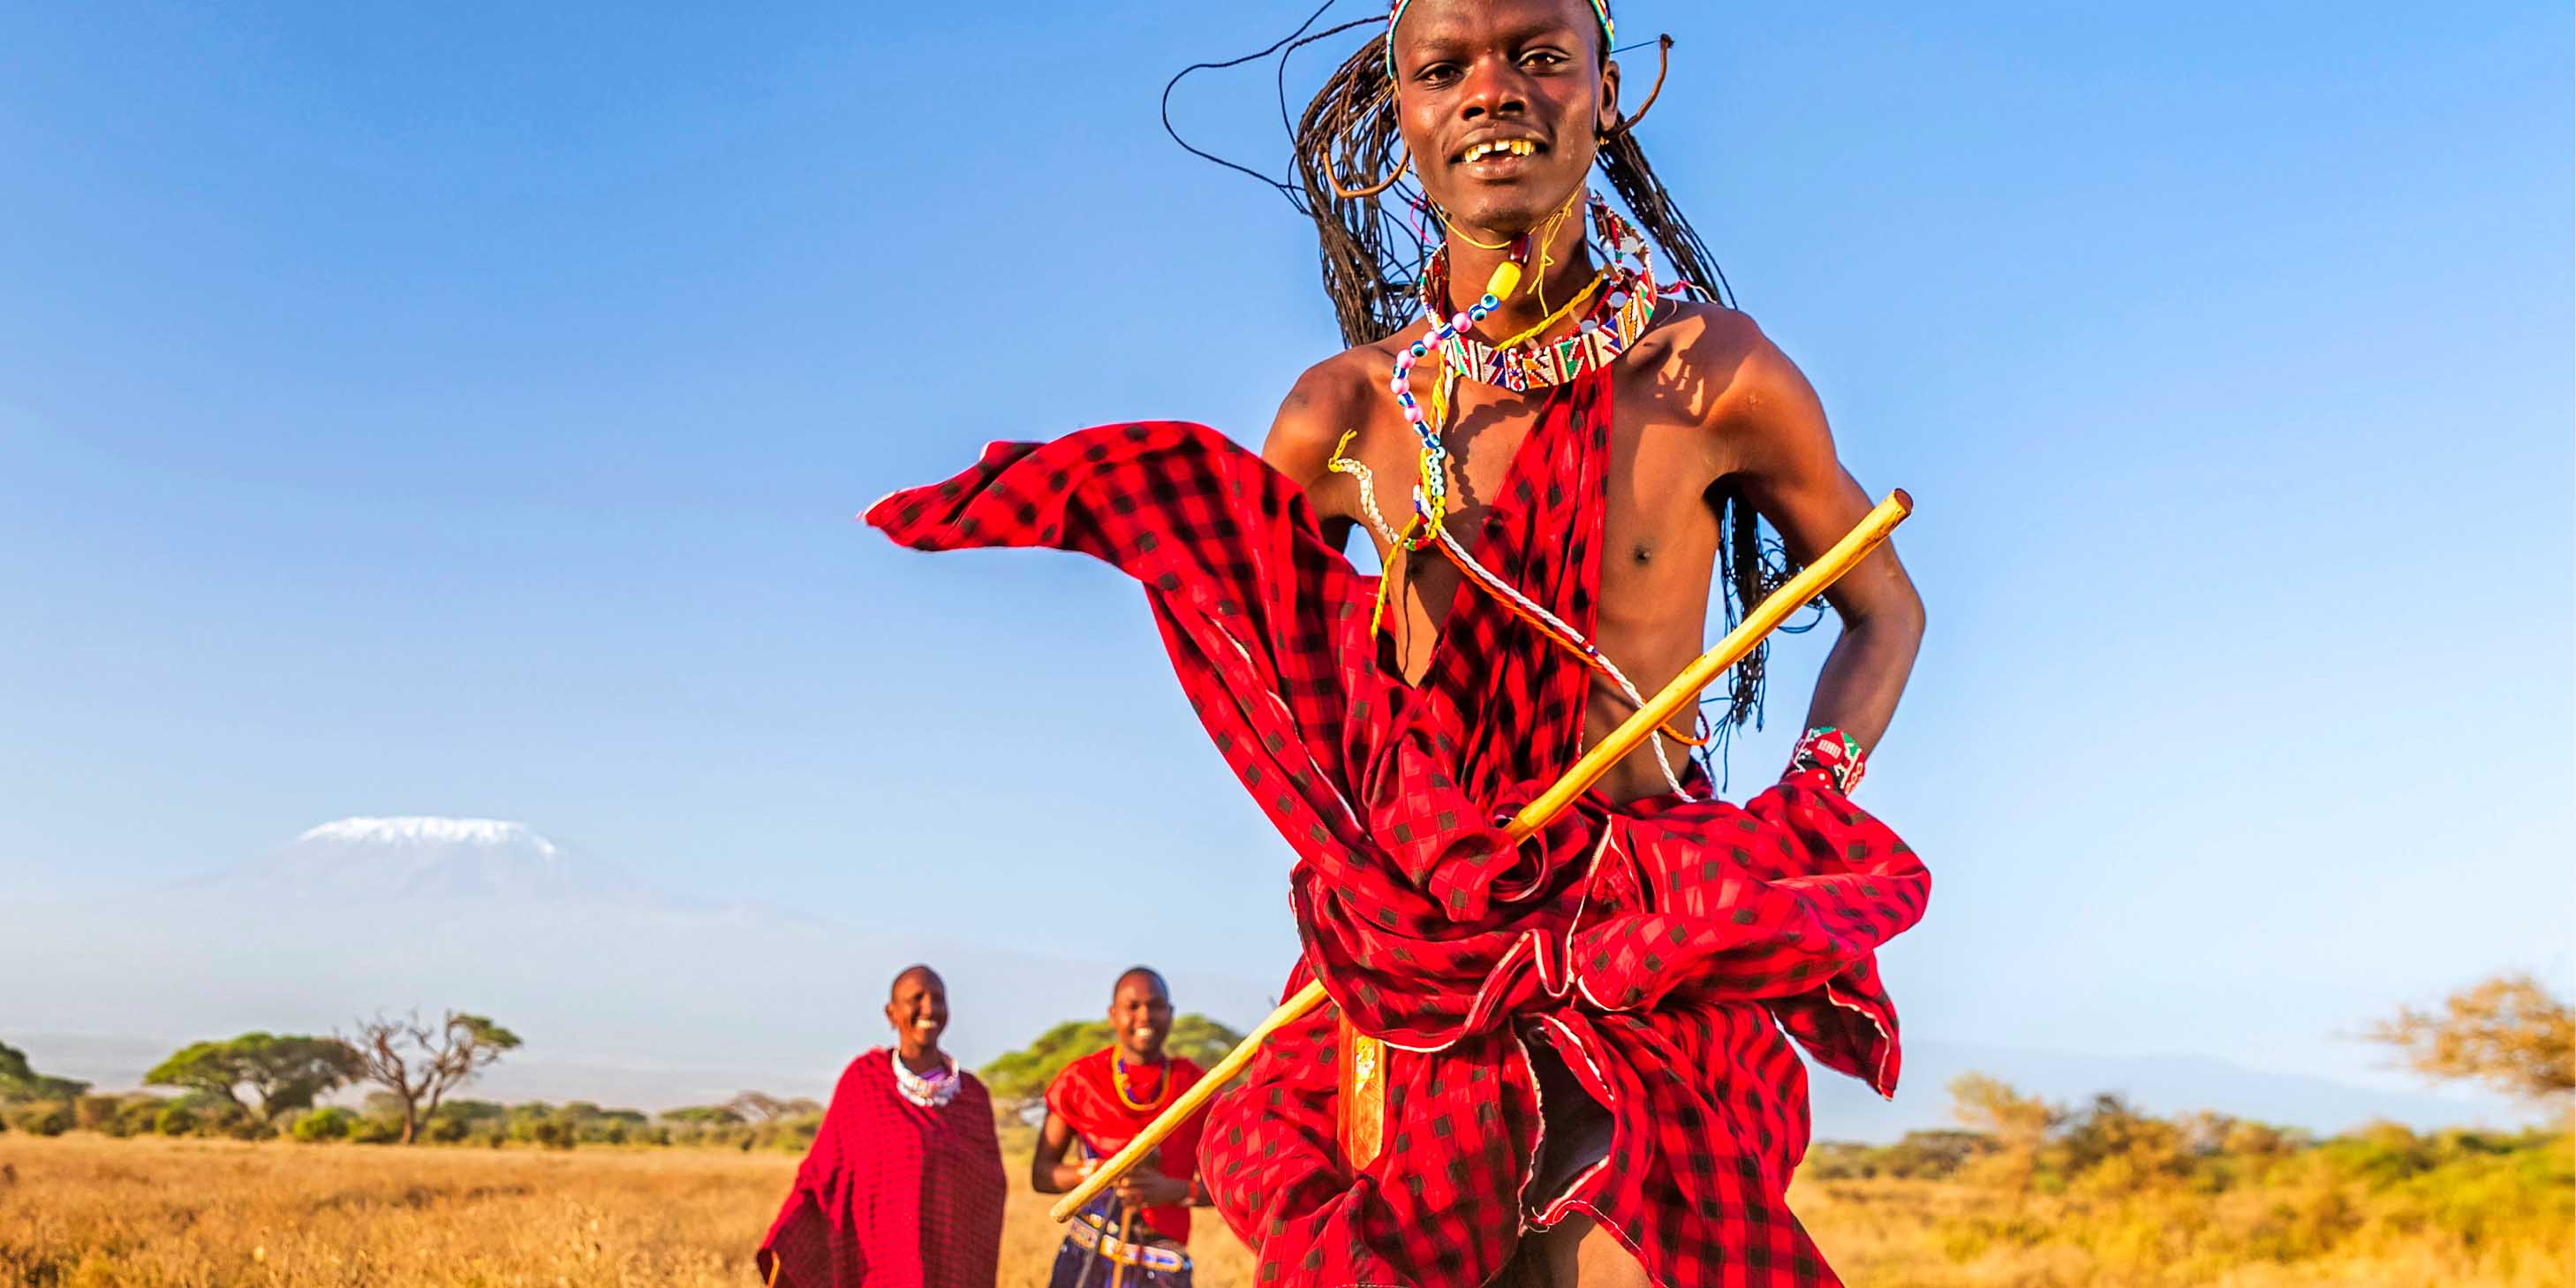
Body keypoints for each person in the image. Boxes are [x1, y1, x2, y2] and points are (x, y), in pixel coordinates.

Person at [864, 0, 1930, 1283]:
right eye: (1446, 70)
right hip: (1423, 948)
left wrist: (1808, 800)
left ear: (1614, 91)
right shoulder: (1346, 412)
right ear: (1400, 123)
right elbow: (1271, 654)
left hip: (1640, 926)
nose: (1495, 93)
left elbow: (1886, 608)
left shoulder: (1716, 375)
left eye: (1540, 58)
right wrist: (1365, 842)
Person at [758, 965, 1007, 1288]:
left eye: (938, 999)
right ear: (891, 1014)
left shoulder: (971, 1096)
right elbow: (824, 1172)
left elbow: (988, 1189)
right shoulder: (863, 1082)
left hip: (951, 1263)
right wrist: (793, 1236)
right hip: (878, 1260)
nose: (929, 1009)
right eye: (916, 998)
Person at [1029, 968, 1212, 1288]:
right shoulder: (1082, 1080)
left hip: (1163, 1269)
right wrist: (1097, 1173)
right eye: (1133, 1006)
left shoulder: (1196, 1087)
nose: (1144, 1016)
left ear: (1170, 1014)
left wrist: (1177, 1190)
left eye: (1155, 1006)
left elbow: (1230, 1185)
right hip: (1087, 1261)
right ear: (1113, 1015)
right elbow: (1042, 1175)